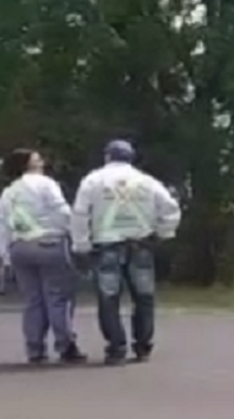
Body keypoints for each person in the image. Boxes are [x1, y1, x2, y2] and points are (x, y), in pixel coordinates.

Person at [71, 140, 182, 365]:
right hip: (140, 244)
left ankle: (116, 347)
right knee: (144, 297)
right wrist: (163, 233)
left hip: (106, 245)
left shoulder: (93, 180)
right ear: (131, 157)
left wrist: (81, 244)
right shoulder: (147, 181)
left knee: (108, 298)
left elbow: (80, 213)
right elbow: (170, 209)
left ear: (107, 157)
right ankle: (142, 346)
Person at [0, 148, 87, 364]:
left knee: (33, 301)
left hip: (20, 246)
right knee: (58, 298)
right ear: (29, 164)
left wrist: (4, 255)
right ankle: (65, 345)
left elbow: (2, 225)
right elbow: (61, 211)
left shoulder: (8, 192)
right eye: (37, 159)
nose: (42, 161)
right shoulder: (45, 184)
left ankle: (35, 348)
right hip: (49, 243)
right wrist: (76, 234)